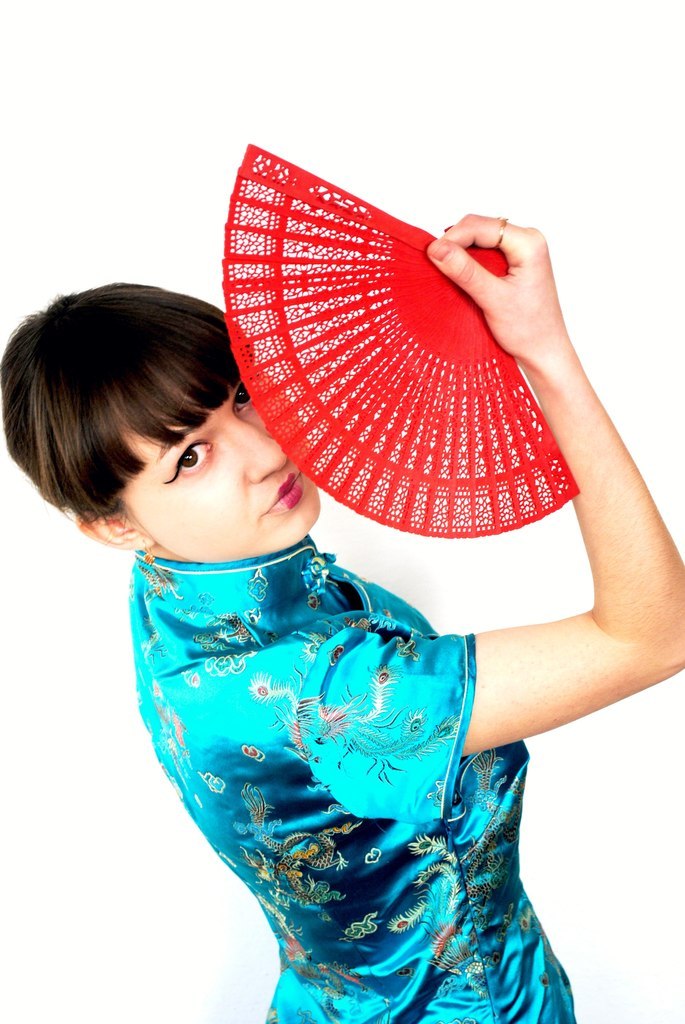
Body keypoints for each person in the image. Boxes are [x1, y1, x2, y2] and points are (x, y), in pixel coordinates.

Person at [2, 215, 684, 1024]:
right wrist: (545, 353)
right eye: (189, 456)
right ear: (114, 526)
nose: (266, 451)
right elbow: (652, 636)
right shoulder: (311, 695)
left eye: (243, 397)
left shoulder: (184, 595)